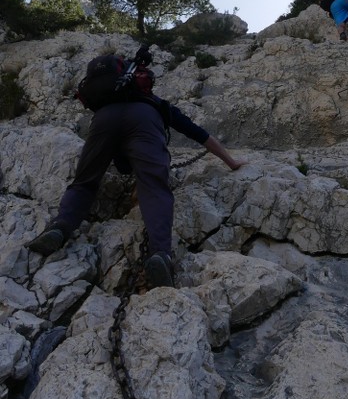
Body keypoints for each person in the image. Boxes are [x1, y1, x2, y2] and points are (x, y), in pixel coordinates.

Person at [26, 92, 246, 288]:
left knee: (85, 182)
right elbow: (201, 135)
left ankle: (59, 227)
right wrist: (231, 162)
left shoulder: (108, 100)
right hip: (144, 124)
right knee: (155, 190)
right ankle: (160, 254)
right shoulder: (157, 104)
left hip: (103, 120)